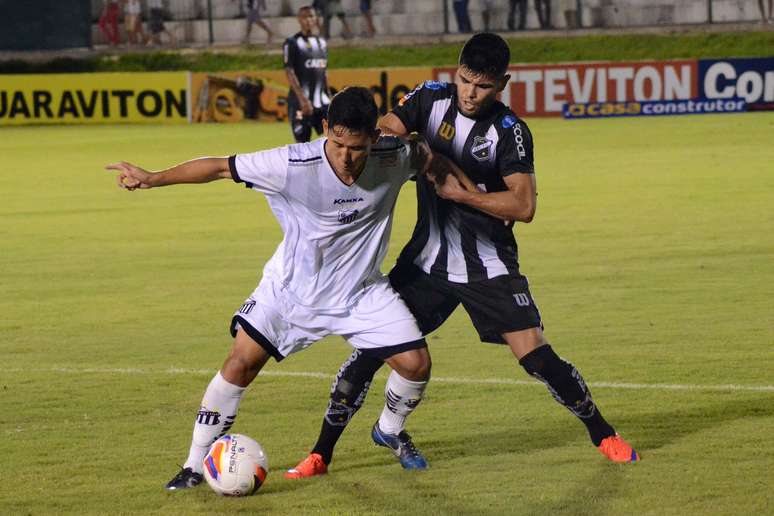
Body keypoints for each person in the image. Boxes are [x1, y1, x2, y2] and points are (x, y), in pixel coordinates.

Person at [284, 33, 639, 480]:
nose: (471, 93)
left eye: (483, 86)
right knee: (369, 351)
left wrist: (459, 193)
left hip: (487, 265)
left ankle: (603, 434)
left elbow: (523, 206)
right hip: (426, 264)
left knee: (536, 358)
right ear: (456, 71)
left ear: (503, 84)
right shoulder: (432, 98)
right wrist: (410, 146)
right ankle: (321, 454)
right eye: (465, 80)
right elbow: (388, 129)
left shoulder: (510, 132)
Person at [106, 87, 438, 490]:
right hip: (290, 293)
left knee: (416, 365)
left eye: (356, 147)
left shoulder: (393, 157)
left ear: (373, 136)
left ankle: (388, 428)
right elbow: (218, 167)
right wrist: (153, 179)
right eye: (337, 144)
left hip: (360, 293)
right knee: (239, 365)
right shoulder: (291, 164)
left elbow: (426, 155)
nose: (347, 158)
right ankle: (194, 465)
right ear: (325, 129)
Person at [283, 6, 331, 143]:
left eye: (311, 16)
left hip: (322, 102)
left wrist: (328, 94)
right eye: (305, 17)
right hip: (300, 103)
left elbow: (324, 70)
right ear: (299, 19)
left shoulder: (321, 43)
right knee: (302, 145)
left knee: (334, 139)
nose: (308, 20)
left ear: (316, 19)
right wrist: (303, 100)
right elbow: (289, 71)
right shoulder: (292, 43)